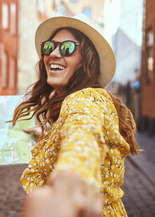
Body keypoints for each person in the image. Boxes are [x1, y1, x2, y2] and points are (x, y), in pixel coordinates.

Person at [11, 14, 139, 217]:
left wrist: (69, 183)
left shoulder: (84, 99)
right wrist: (49, 137)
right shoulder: (84, 101)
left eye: (67, 48)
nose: (52, 54)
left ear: (86, 60)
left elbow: (83, 136)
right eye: (49, 47)